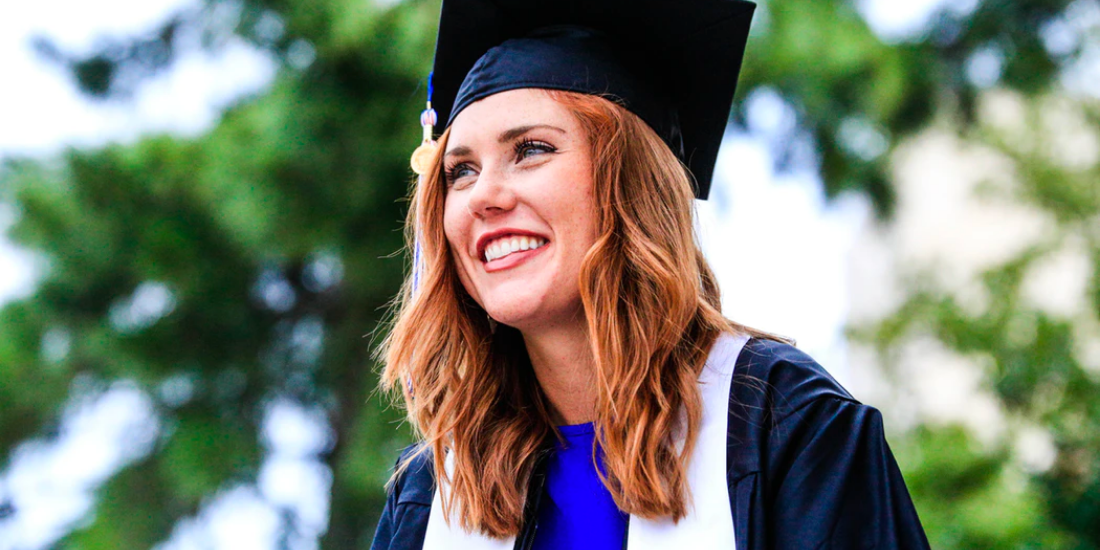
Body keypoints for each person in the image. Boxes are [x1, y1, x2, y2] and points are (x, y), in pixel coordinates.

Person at [372, 0, 932, 548]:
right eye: (460, 171)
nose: (482, 196)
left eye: (531, 149)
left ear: (633, 184)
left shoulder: (784, 426)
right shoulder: (433, 492)